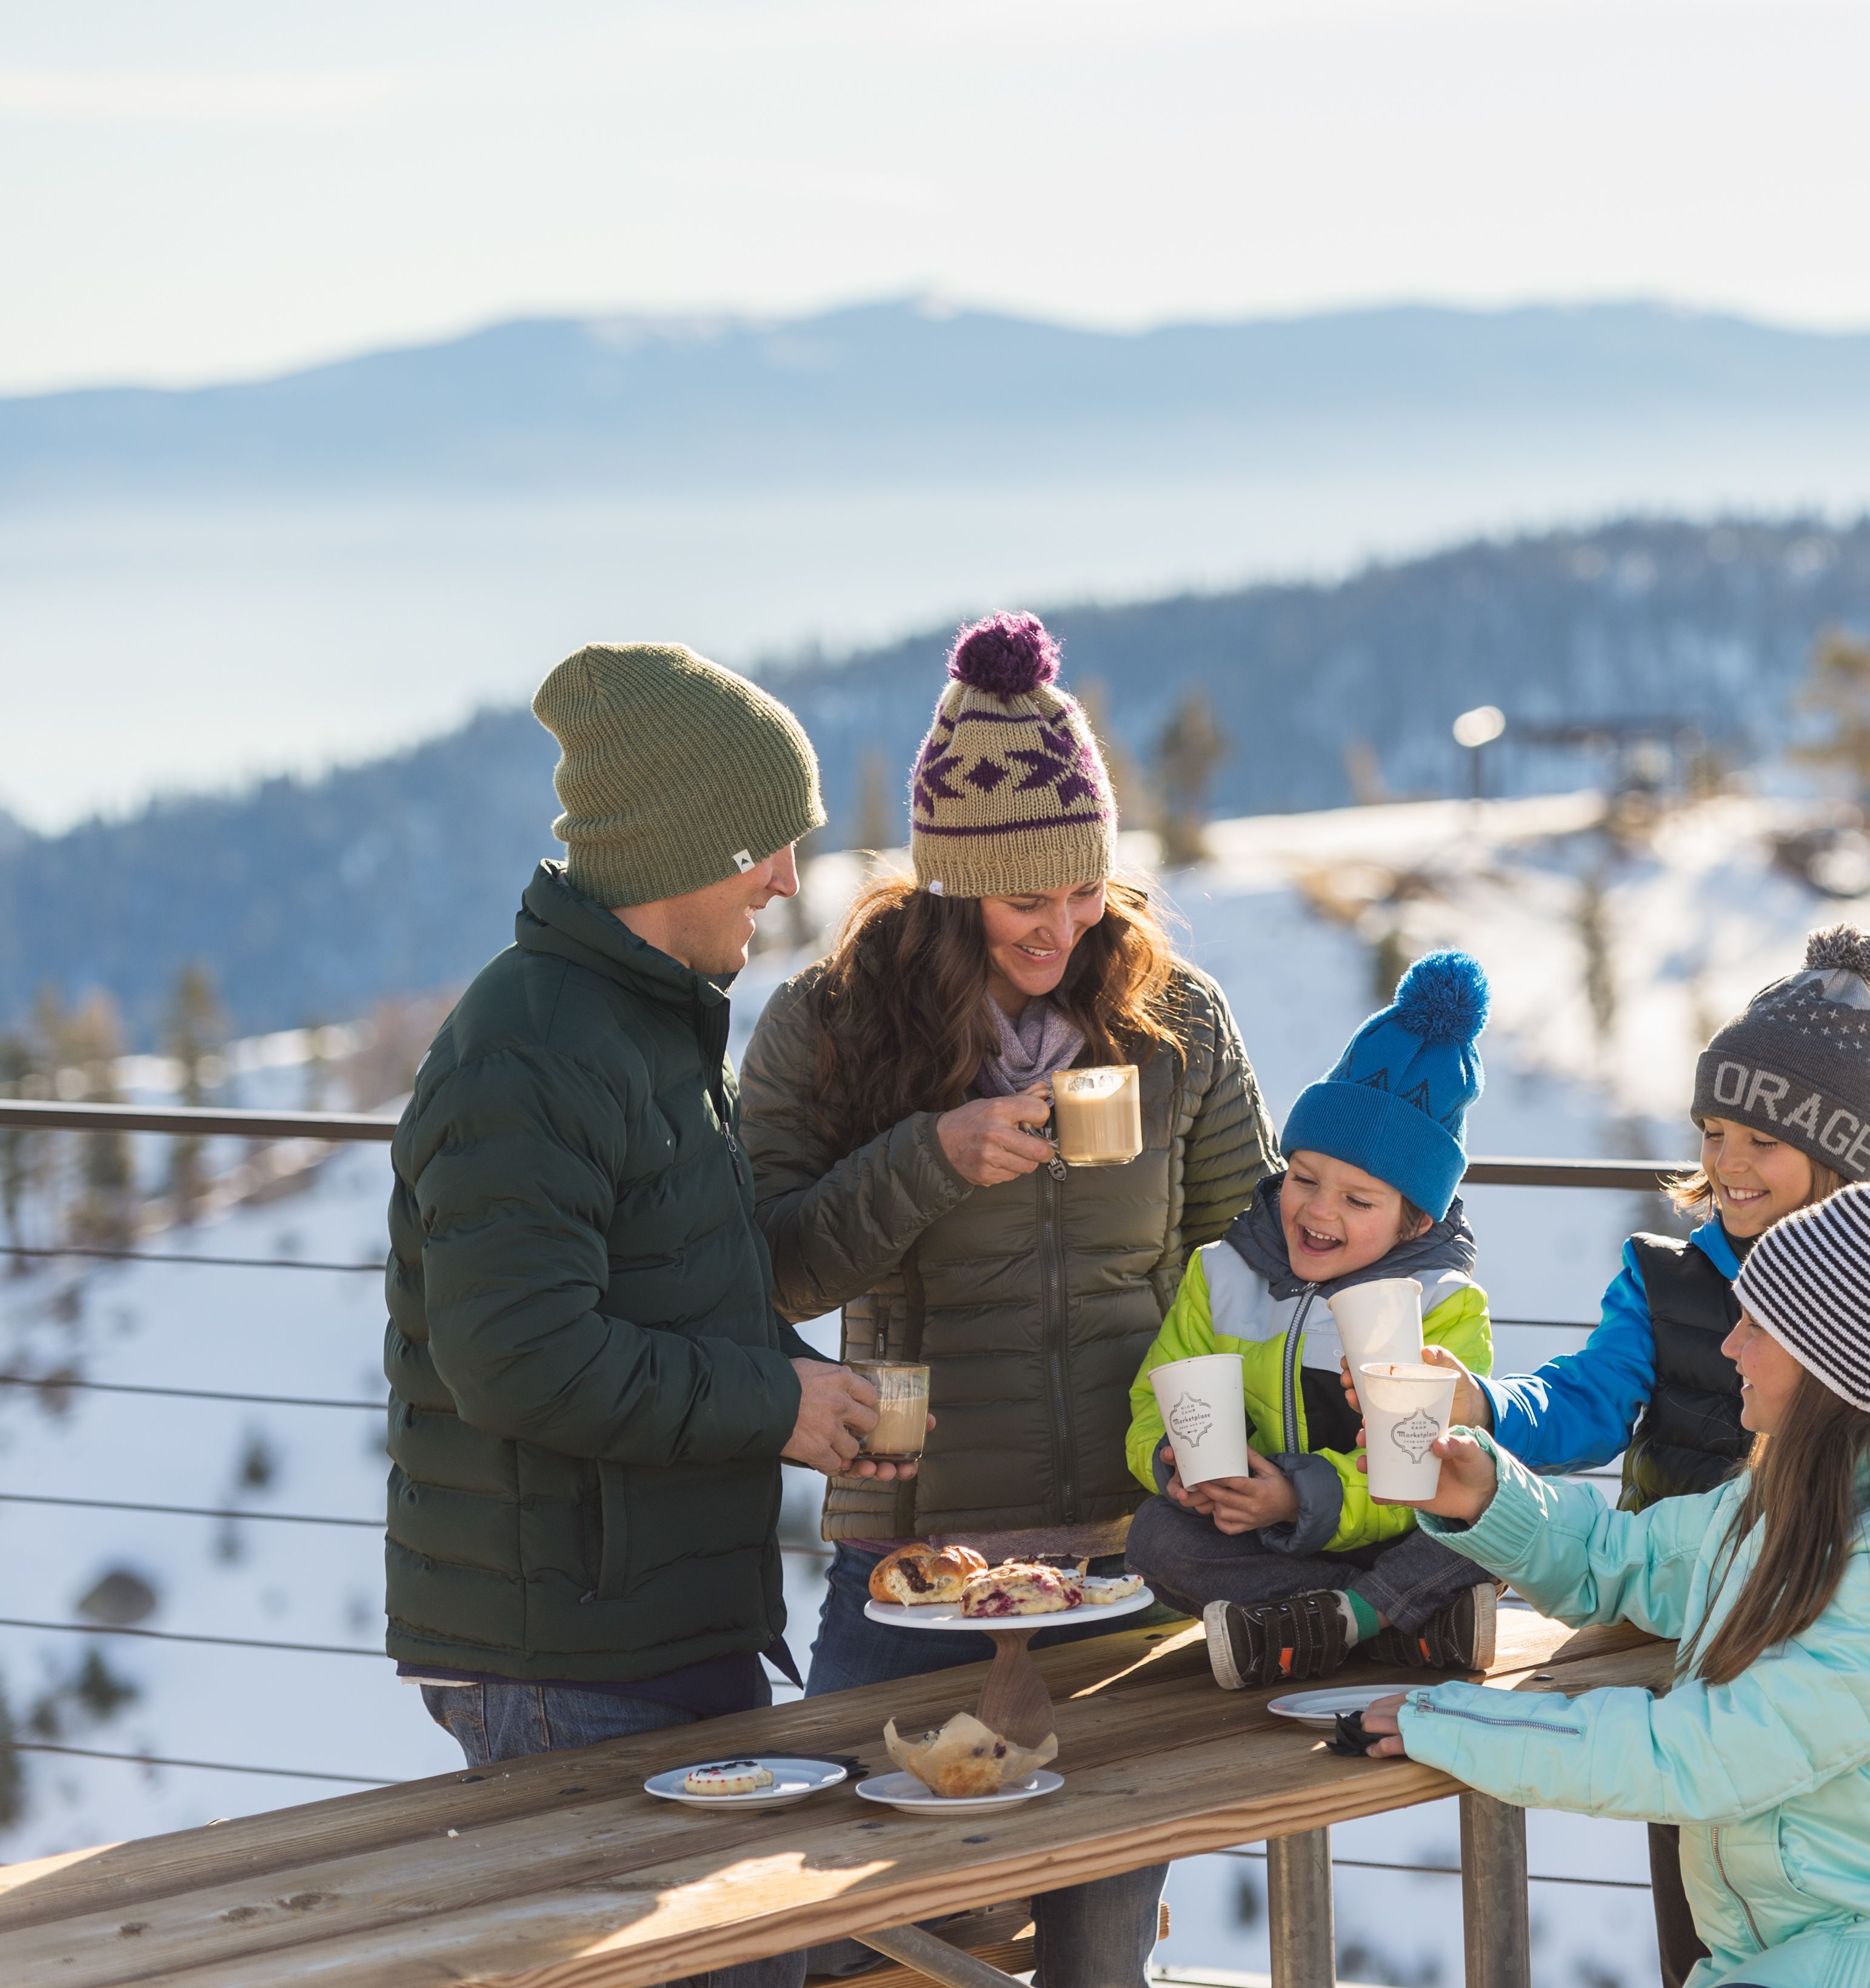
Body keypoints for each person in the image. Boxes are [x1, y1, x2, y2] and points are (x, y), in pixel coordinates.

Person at [739, 612, 1276, 1986]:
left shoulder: (1179, 1022)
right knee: (843, 1921)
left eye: (1085, 890)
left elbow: (1249, 1263)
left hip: (1125, 1544)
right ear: (950, 884)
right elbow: (769, 1262)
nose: (1064, 926)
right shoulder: (834, 1021)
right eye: (1027, 899)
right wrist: (928, 1158)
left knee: (1098, 1948)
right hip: (909, 1558)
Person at [386, 642, 903, 1988]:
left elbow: (680, 1294)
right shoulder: (534, 1043)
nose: (790, 877)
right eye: (770, 845)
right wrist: (776, 1404)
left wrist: (807, 1391)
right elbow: (516, 1355)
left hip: (652, 1623)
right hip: (567, 1652)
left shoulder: (646, 1027)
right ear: (688, 840)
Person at [1382, 922, 1870, 1981]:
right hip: (1681, 1606)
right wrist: (1486, 1424)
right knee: (1713, 1868)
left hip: (1821, 1653)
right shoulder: (1674, 1287)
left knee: (1741, 1804)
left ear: (1841, 1158)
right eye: (1711, 1133)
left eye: (1759, 1141)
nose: (1725, 1163)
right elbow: (1590, 1411)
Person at [1124, 950, 1501, 1689]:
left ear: (1412, 1219)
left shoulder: (1440, 1303)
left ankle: (1324, 1625)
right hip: (1261, 1543)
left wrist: (1302, 1495)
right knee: (1155, 1537)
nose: (1320, 1211)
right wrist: (1173, 1464)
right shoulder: (1220, 1274)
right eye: (1304, 1179)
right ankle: (1387, 1625)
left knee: (1490, 1517)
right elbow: (1150, 1402)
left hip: (1385, 1532)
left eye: (1360, 1202)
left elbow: (1433, 1470)